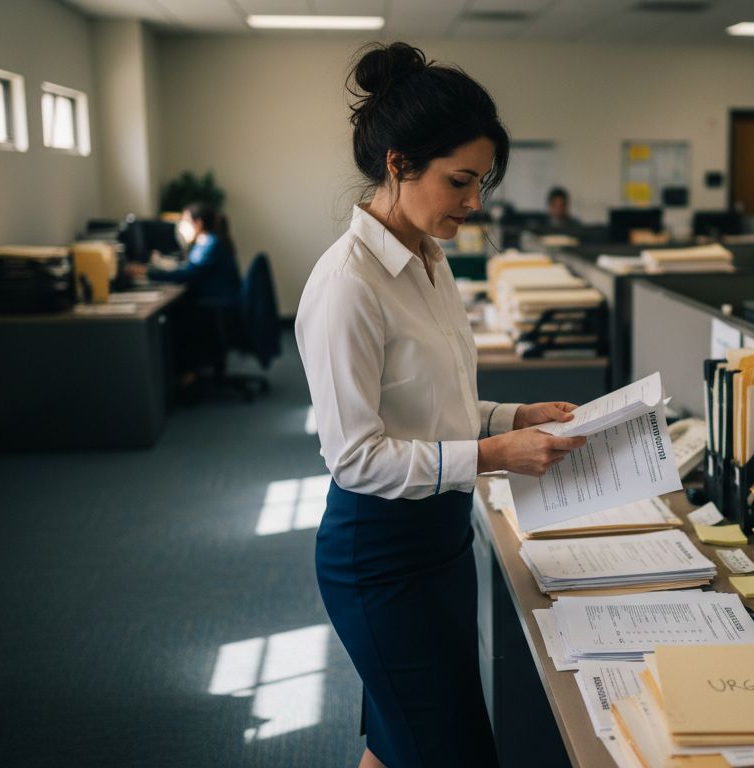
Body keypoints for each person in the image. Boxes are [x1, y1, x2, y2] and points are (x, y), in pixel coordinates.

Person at [295, 43, 586, 768]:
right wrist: (492, 455)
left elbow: (434, 407)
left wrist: (510, 419)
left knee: (401, 745)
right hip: (379, 558)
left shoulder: (429, 259)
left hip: (443, 541)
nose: (475, 203)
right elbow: (357, 457)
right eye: (460, 181)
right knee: (449, 750)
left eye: (481, 182)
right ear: (399, 164)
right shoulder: (348, 286)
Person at [126, 202, 241, 382]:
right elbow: (190, 268)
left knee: (175, 317)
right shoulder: (207, 242)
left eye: (185, 221)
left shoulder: (211, 244)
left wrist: (146, 272)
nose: (181, 226)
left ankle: (187, 373)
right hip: (215, 302)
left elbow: (188, 274)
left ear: (199, 223)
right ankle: (188, 371)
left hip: (217, 307)